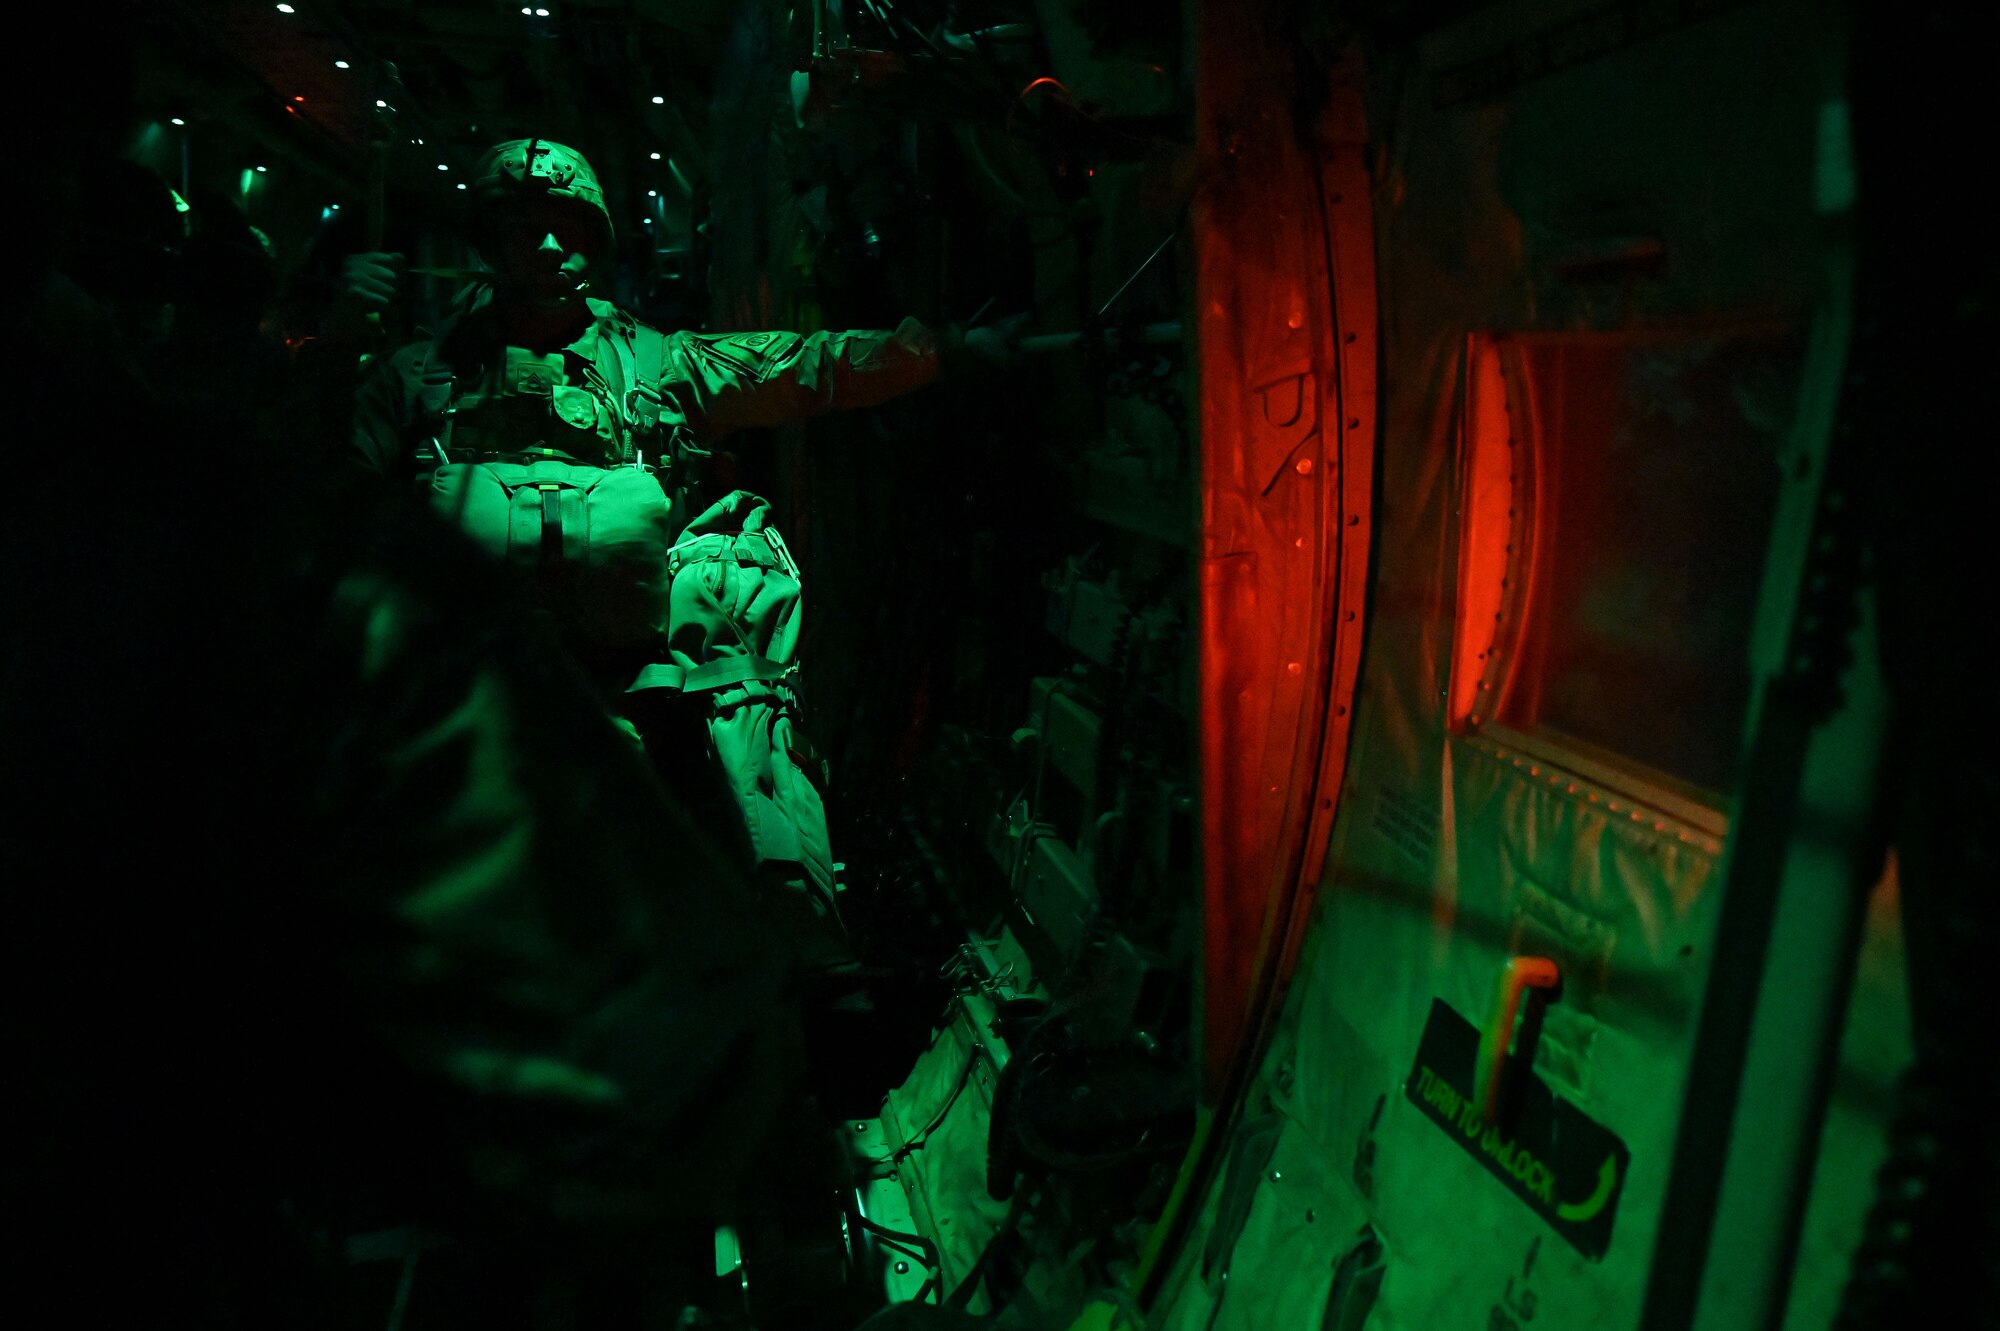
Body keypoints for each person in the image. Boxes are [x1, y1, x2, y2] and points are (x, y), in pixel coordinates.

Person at [342, 137, 1007, 970]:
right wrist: (322, 329)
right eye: (524, 230)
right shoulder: (414, 382)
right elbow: (318, 496)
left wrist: (935, 353)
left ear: (598, 239)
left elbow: (804, 366)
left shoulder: (664, 367)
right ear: (490, 242)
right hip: (462, 701)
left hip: (639, 698)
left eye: (568, 229)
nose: (550, 249)